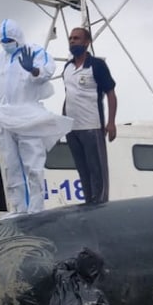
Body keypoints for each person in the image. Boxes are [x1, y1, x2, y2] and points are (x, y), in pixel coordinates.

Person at [0, 18, 73, 216]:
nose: (6, 44)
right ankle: (18, 208)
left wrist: (32, 69)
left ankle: (36, 209)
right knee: (11, 166)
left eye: (9, 40)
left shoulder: (35, 52)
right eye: (3, 40)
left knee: (32, 165)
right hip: (6, 117)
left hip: (28, 118)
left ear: (18, 38)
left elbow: (46, 74)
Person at [61, 27, 117, 205]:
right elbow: (69, 95)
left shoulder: (97, 65)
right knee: (82, 169)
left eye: (76, 38)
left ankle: (100, 204)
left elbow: (110, 93)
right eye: (70, 38)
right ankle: (87, 202)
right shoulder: (67, 67)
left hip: (92, 126)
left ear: (87, 42)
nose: (72, 41)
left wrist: (111, 123)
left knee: (96, 169)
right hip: (72, 128)